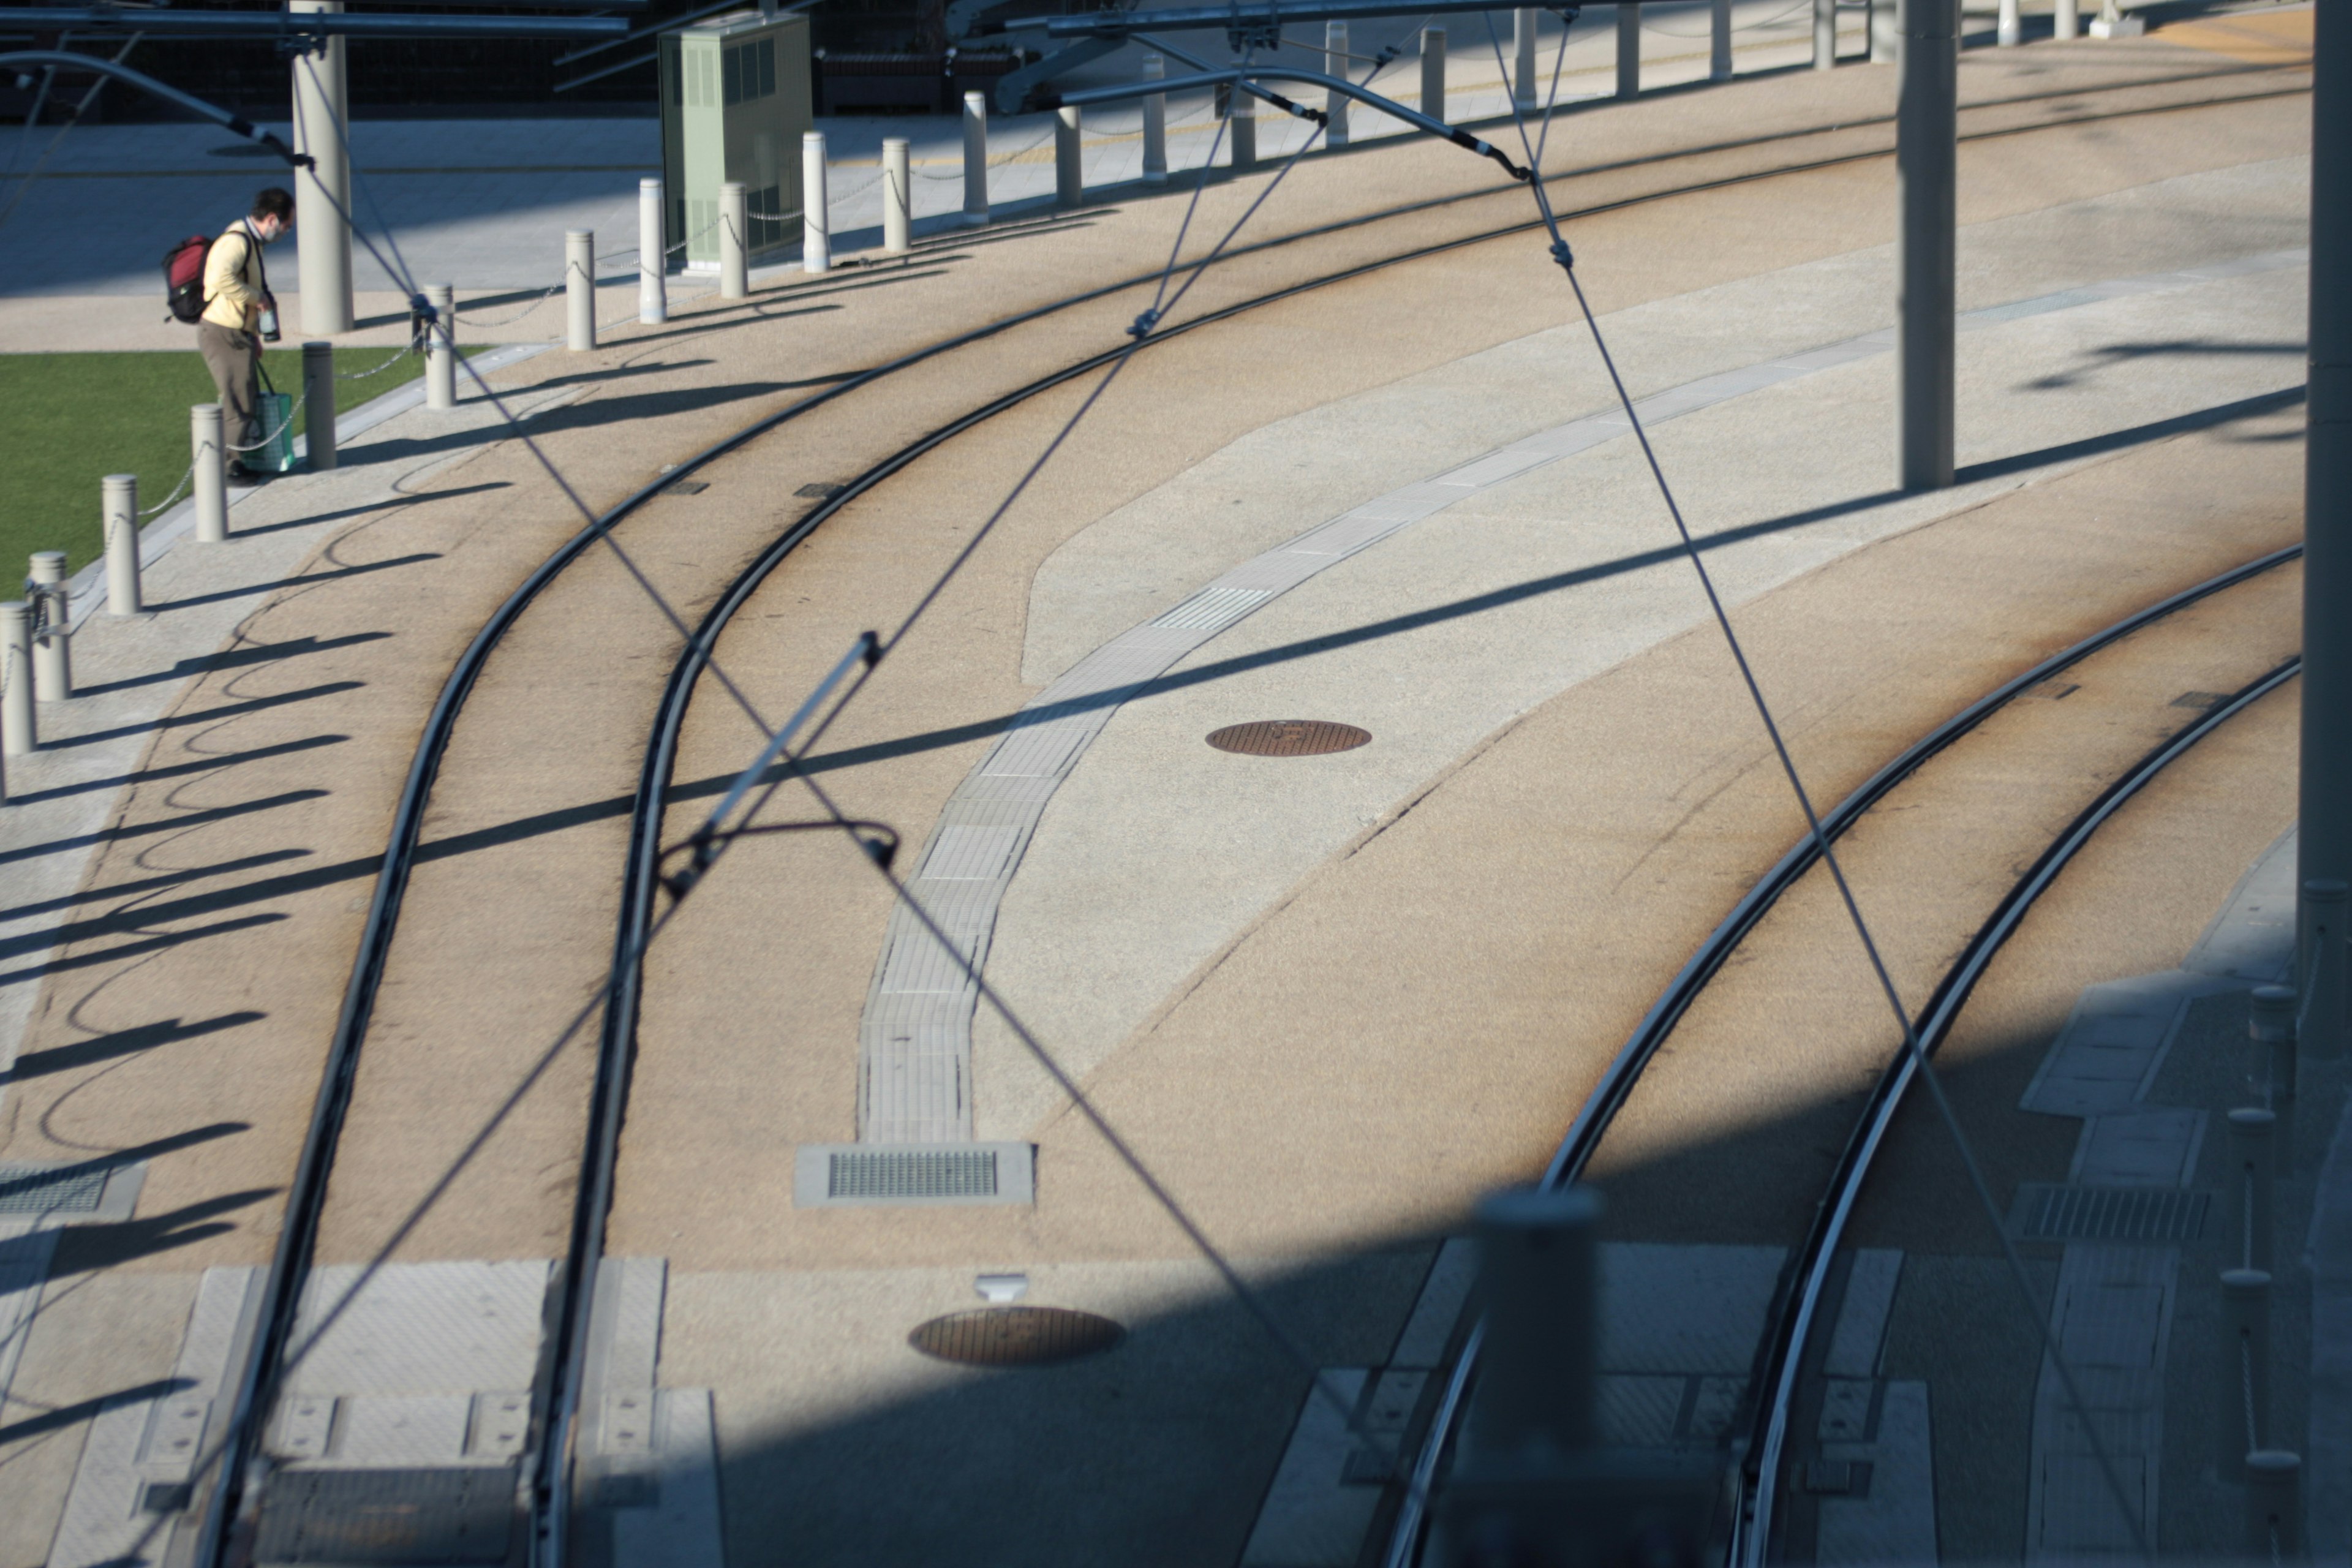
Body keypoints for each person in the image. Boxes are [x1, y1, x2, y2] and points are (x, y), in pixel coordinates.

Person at [198, 187, 295, 484]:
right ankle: (229, 466)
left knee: (244, 398)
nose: (286, 232)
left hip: (236, 332)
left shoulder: (248, 240)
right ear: (271, 219)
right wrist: (257, 298)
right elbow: (220, 279)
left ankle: (235, 460)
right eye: (286, 225)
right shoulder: (238, 243)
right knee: (237, 403)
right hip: (223, 332)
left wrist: (253, 334)